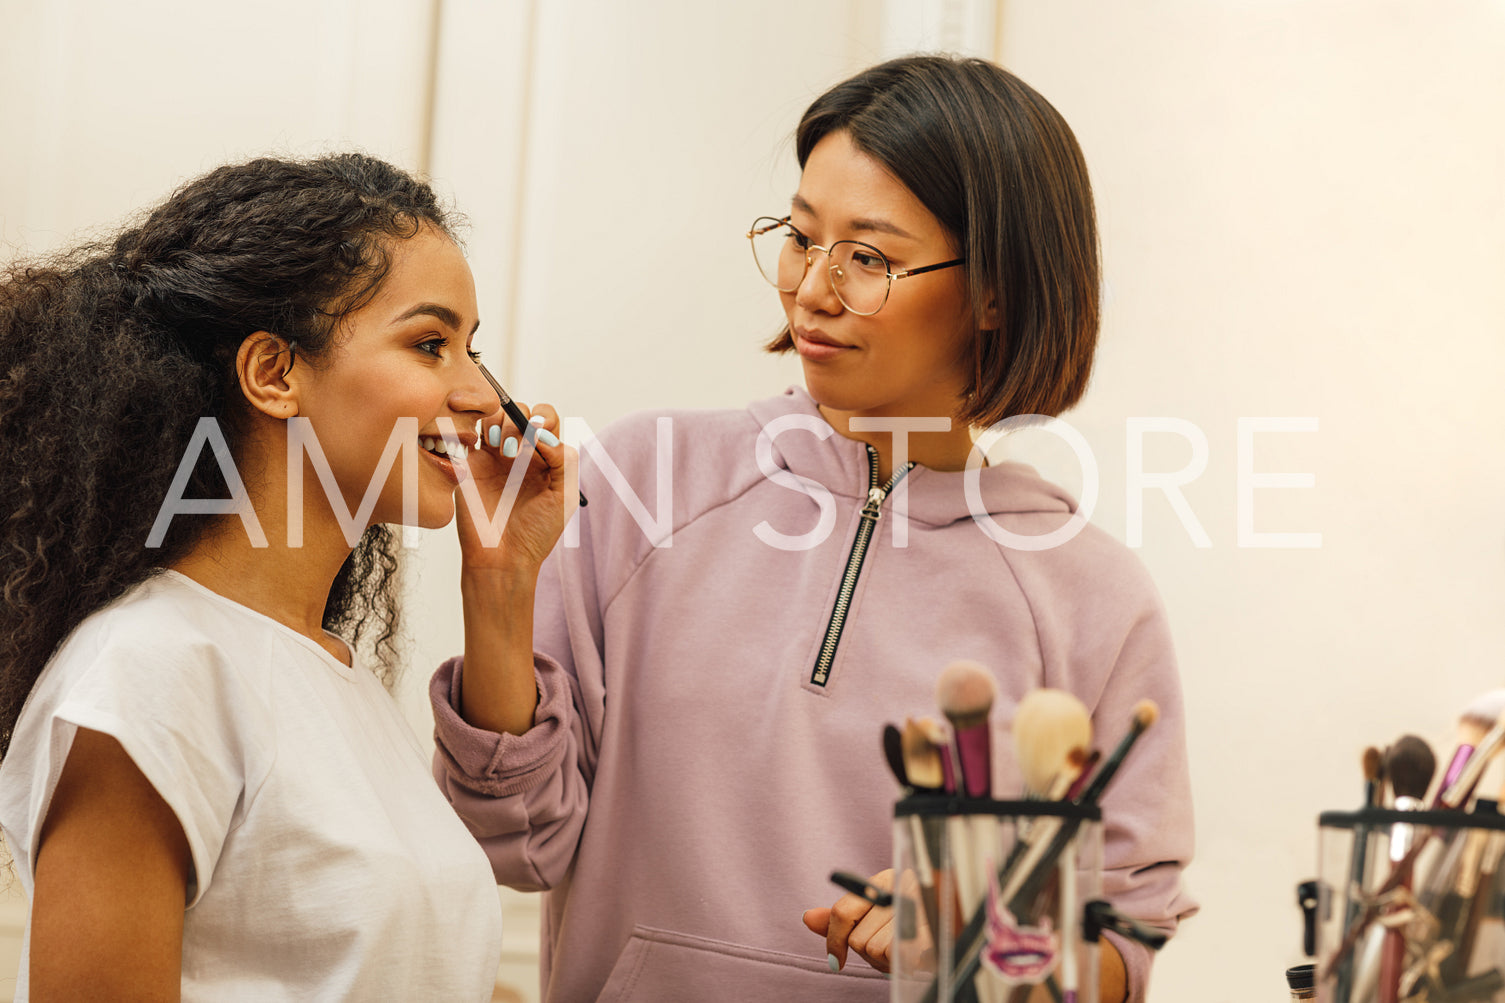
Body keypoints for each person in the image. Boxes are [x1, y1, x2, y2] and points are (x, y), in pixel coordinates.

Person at [433, 55, 1196, 1002]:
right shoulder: (642, 482)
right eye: (800, 238)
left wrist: (982, 948)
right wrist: (497, 596)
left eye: (868, 257)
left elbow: (1120, 944)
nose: (812, 289)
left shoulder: (1089, 594)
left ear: (995, 290)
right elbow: (515, 839)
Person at [0, 153, 567, 999]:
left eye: (470, 349)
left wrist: (502, 572)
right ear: (274, 374)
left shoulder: (334, 677)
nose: (483, 395)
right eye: (430, 343)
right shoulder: (149, 672)